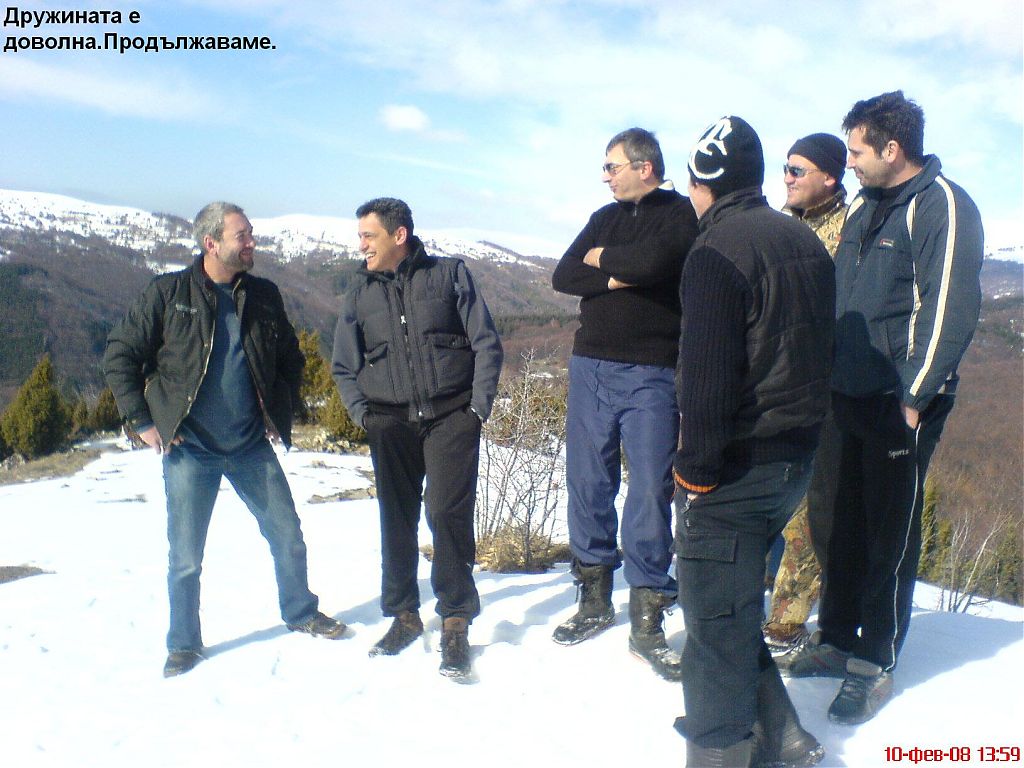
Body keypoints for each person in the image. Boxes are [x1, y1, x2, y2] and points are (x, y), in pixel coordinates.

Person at [781, 91, 983, 725]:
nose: (850, 163)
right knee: (833, 520)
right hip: (842, 391)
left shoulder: (941, 205)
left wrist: (914, 399)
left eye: (857, 151)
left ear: (892, 149)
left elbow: (949, 308)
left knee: (886, 532)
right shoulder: (867, 206)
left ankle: (874, 661)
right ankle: (836, 638)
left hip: (898, 401)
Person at [103, 202, 346, 679]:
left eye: (251, 233)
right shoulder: (168, 293)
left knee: (288, 537)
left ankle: (300, 612)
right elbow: (120, 355)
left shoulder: (263, 295)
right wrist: (142, 420)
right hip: (190, 449)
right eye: (243, 236)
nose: (252, 242)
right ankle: (183, 644)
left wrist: (278, 409)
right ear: (211, 243)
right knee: (186, 558)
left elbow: (291, 359)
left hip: (250, 445)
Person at [673, 116, 834, 767]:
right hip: (795, 460)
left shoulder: (716, 253)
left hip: (737, 467)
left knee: (713, 630)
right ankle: (786, 737)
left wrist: (694, 475)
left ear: (702, 182)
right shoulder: (802, 241)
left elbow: (706, 385)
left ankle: (723, 754)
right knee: (732, 607)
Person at [331, 197, 502, 682]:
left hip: (451, 416)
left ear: (398, 235)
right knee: (396, 517)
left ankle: (455, 616)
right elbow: (344, 365)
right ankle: (403, 614)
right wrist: (365, 415)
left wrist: (477, 408)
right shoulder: (360, 292)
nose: (361, 245)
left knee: (446, 513)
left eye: (368, 236)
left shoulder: (449, 275)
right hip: (389, 422)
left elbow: (486, 343)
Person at [550, 127, 699, 682]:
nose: (605, 176)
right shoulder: (604, 215)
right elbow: (565, 274)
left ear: (644, 166)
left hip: (652, 371)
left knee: (650, 489)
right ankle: (593, 598)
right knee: (588, 481)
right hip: (590, 364)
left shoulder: (679, 214)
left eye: (612, 166)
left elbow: (655, 263)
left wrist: (603, 263)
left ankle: (647, 613)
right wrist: (618, 274)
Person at [763, 133, 849, 656]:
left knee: (806, 516)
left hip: (821, 394)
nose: (788, 177)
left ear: (830, 177)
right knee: (761, 501)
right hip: (768, 387)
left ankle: (784, 627)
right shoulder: (777, 225)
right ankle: (746, 606)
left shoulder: (851, 232)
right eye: (786, 168)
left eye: (798, 170)